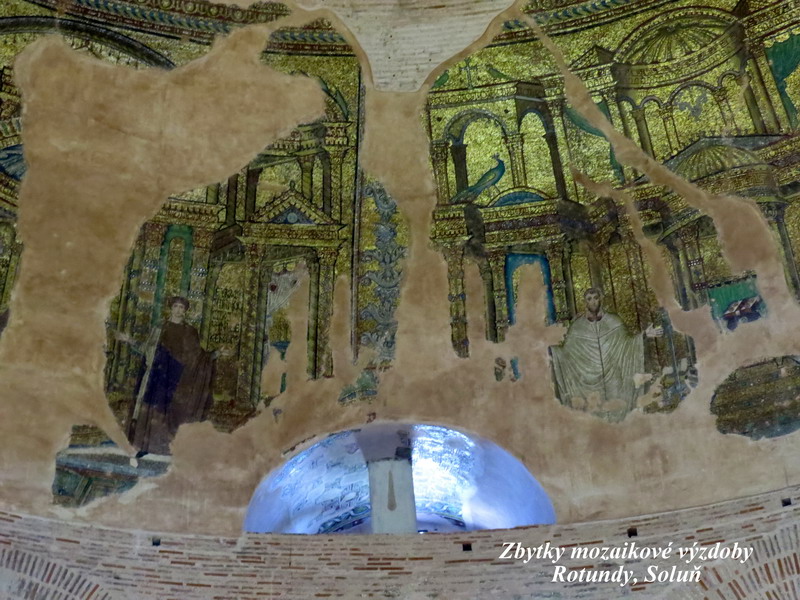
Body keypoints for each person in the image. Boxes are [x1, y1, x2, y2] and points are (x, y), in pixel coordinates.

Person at [118, 297, 216, 456]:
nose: (178, 310)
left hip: (178, 377)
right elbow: (147, 349)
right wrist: (129, 340)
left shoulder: (190, 331)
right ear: (171, 308)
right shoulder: (160, 327)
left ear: (185, 311)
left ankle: (168, 446)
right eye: (176, 306)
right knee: (153, 410)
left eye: (182, 307)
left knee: (172, 410)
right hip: (158, 375)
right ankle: (145, 446)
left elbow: (198, 357)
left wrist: (215, 354)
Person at [550, 288, 662, 422]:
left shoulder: (614, 322)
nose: (593, 302)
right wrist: (549, 349)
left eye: (595, 298)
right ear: (585, 302)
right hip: (589, 382)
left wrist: (644, 336)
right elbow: (566, 353)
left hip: (613, 380)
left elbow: (627, 345)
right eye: (589, 299)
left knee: (617, 411)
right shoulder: (577, 327)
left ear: (600, 299)